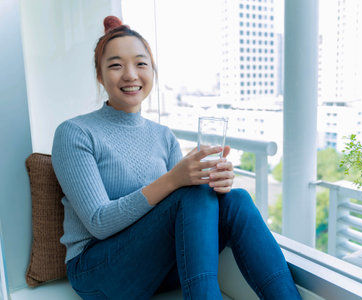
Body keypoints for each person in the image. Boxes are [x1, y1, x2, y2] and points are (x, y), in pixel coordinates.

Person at [52, 15, 302, 300]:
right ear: (99, 75)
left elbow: (185, 212)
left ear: (152, 71)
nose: (131, 75)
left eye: (140, 63)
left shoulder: (163, 135)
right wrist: (175, 179)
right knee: (187, 194)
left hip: (157, 268)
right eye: (116, 65)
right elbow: (98, 222)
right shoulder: (75, 133)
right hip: (98, 272)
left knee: (237, 200)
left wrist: (216, 184)